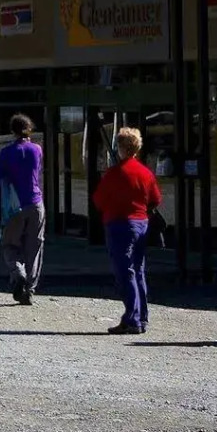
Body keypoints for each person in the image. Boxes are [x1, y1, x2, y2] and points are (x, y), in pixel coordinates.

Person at [93, 127, 163, 334]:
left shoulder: (114, 173)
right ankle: (141, 316)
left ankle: (132, 318)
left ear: (121, 148)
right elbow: (155, 199)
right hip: (141, 223)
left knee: (125, 271)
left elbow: (99, 200)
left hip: (119, 224)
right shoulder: (145, 173)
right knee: (138, 269)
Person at [0, 113, 46, 304]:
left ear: (12, 131)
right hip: (35, 201)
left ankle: (18, 273)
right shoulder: (37, 149)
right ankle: (30, 290)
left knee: (9, 243)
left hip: (15, 206)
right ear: (29, 129)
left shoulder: (7, 152)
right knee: (34, 248)